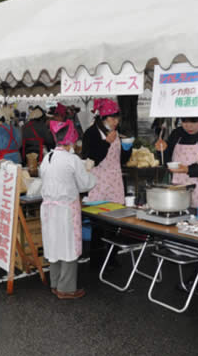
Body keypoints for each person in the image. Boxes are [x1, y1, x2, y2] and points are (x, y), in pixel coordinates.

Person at [40, 120, 96, 299]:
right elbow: (84, 184)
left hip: (49, 209)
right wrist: (90, 172)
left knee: (54, 244)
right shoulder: (73, 160)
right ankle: (66, 288)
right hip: (66, 209)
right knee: (69, 246)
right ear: (71, 140)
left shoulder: (47, 158)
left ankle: (55, 283)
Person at [155, 115, 198, 208]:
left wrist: (188, 169)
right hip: (179, 190)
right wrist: (162, 150)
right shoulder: (177, 134)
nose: (189, 126)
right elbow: (166, 161)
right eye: (184, 121)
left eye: (193, 122)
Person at [81, 98, 131, 204]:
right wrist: (106, 143)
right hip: (98, 183)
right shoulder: (91, 133)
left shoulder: (116, 132)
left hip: (115, 181)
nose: (116, 122)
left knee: (116, 214)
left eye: (118, 119)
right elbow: (90, 159)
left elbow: (121, 160)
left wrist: (127, 149)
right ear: (103, 118)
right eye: (113, 119)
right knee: (99, 216)